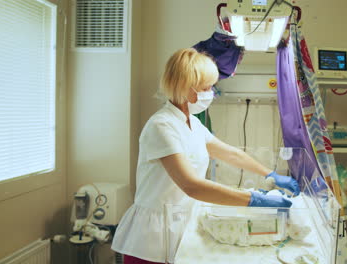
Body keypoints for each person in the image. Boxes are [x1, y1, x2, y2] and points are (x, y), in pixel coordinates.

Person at [111, 48, 300, 264]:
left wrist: (271, 174)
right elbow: (192, 186)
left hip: (180, 225)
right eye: (207, 87)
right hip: (152, 238)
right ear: (187, 89)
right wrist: (254, 200)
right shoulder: (161, 126)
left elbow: (230, 154)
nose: (211, 92)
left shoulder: (191, 122)